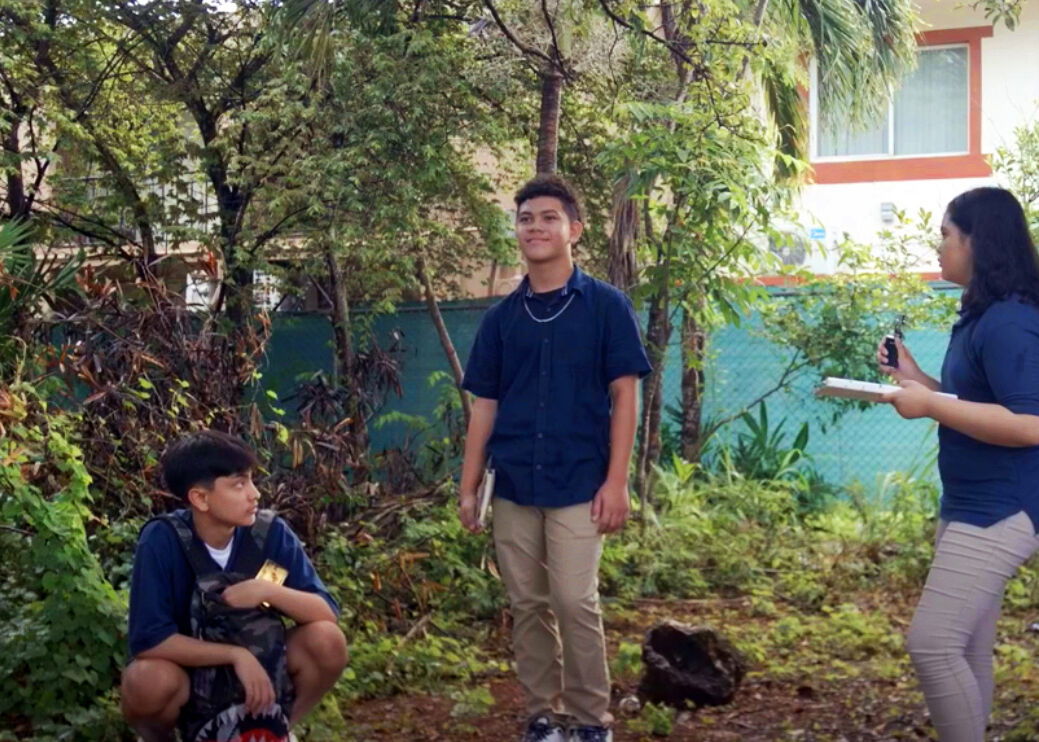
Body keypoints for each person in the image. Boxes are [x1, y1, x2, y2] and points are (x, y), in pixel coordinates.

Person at [459, 174, 651, 742]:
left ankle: (592, 719)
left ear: (574, 230)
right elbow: (484, 408)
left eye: (547, 217)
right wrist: (469, 488)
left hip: (579, 483)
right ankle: (543, 715)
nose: (535, 227)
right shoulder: (501, 319)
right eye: (525, 219)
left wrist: (616, 484)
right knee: (527, 605)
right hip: (515, 482)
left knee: (574, 600)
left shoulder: (606, 307)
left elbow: (625, 398)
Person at [878, 187, 1039, 741]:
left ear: (977, 240)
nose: (939, 245)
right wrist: (916, 380)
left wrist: (932, 404)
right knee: (967, 648)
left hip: (1001, 508)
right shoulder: (982, 315)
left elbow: (1031, 425)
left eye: (946, 234)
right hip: (969, 503)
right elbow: (970, 402)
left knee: (932, 642)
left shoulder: (1011, 321)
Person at [120, 430, 348, 742]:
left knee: (327, 639)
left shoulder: (271, 533)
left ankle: (277, 728)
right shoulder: (163, 540)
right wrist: (235, 655)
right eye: (239, 484)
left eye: (252, 481)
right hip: (193, 672)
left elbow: (326, 612)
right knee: (146, 679)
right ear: (200, 498)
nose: (254, 494)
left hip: (266, 663)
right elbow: (150, 641)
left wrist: (268, 591)